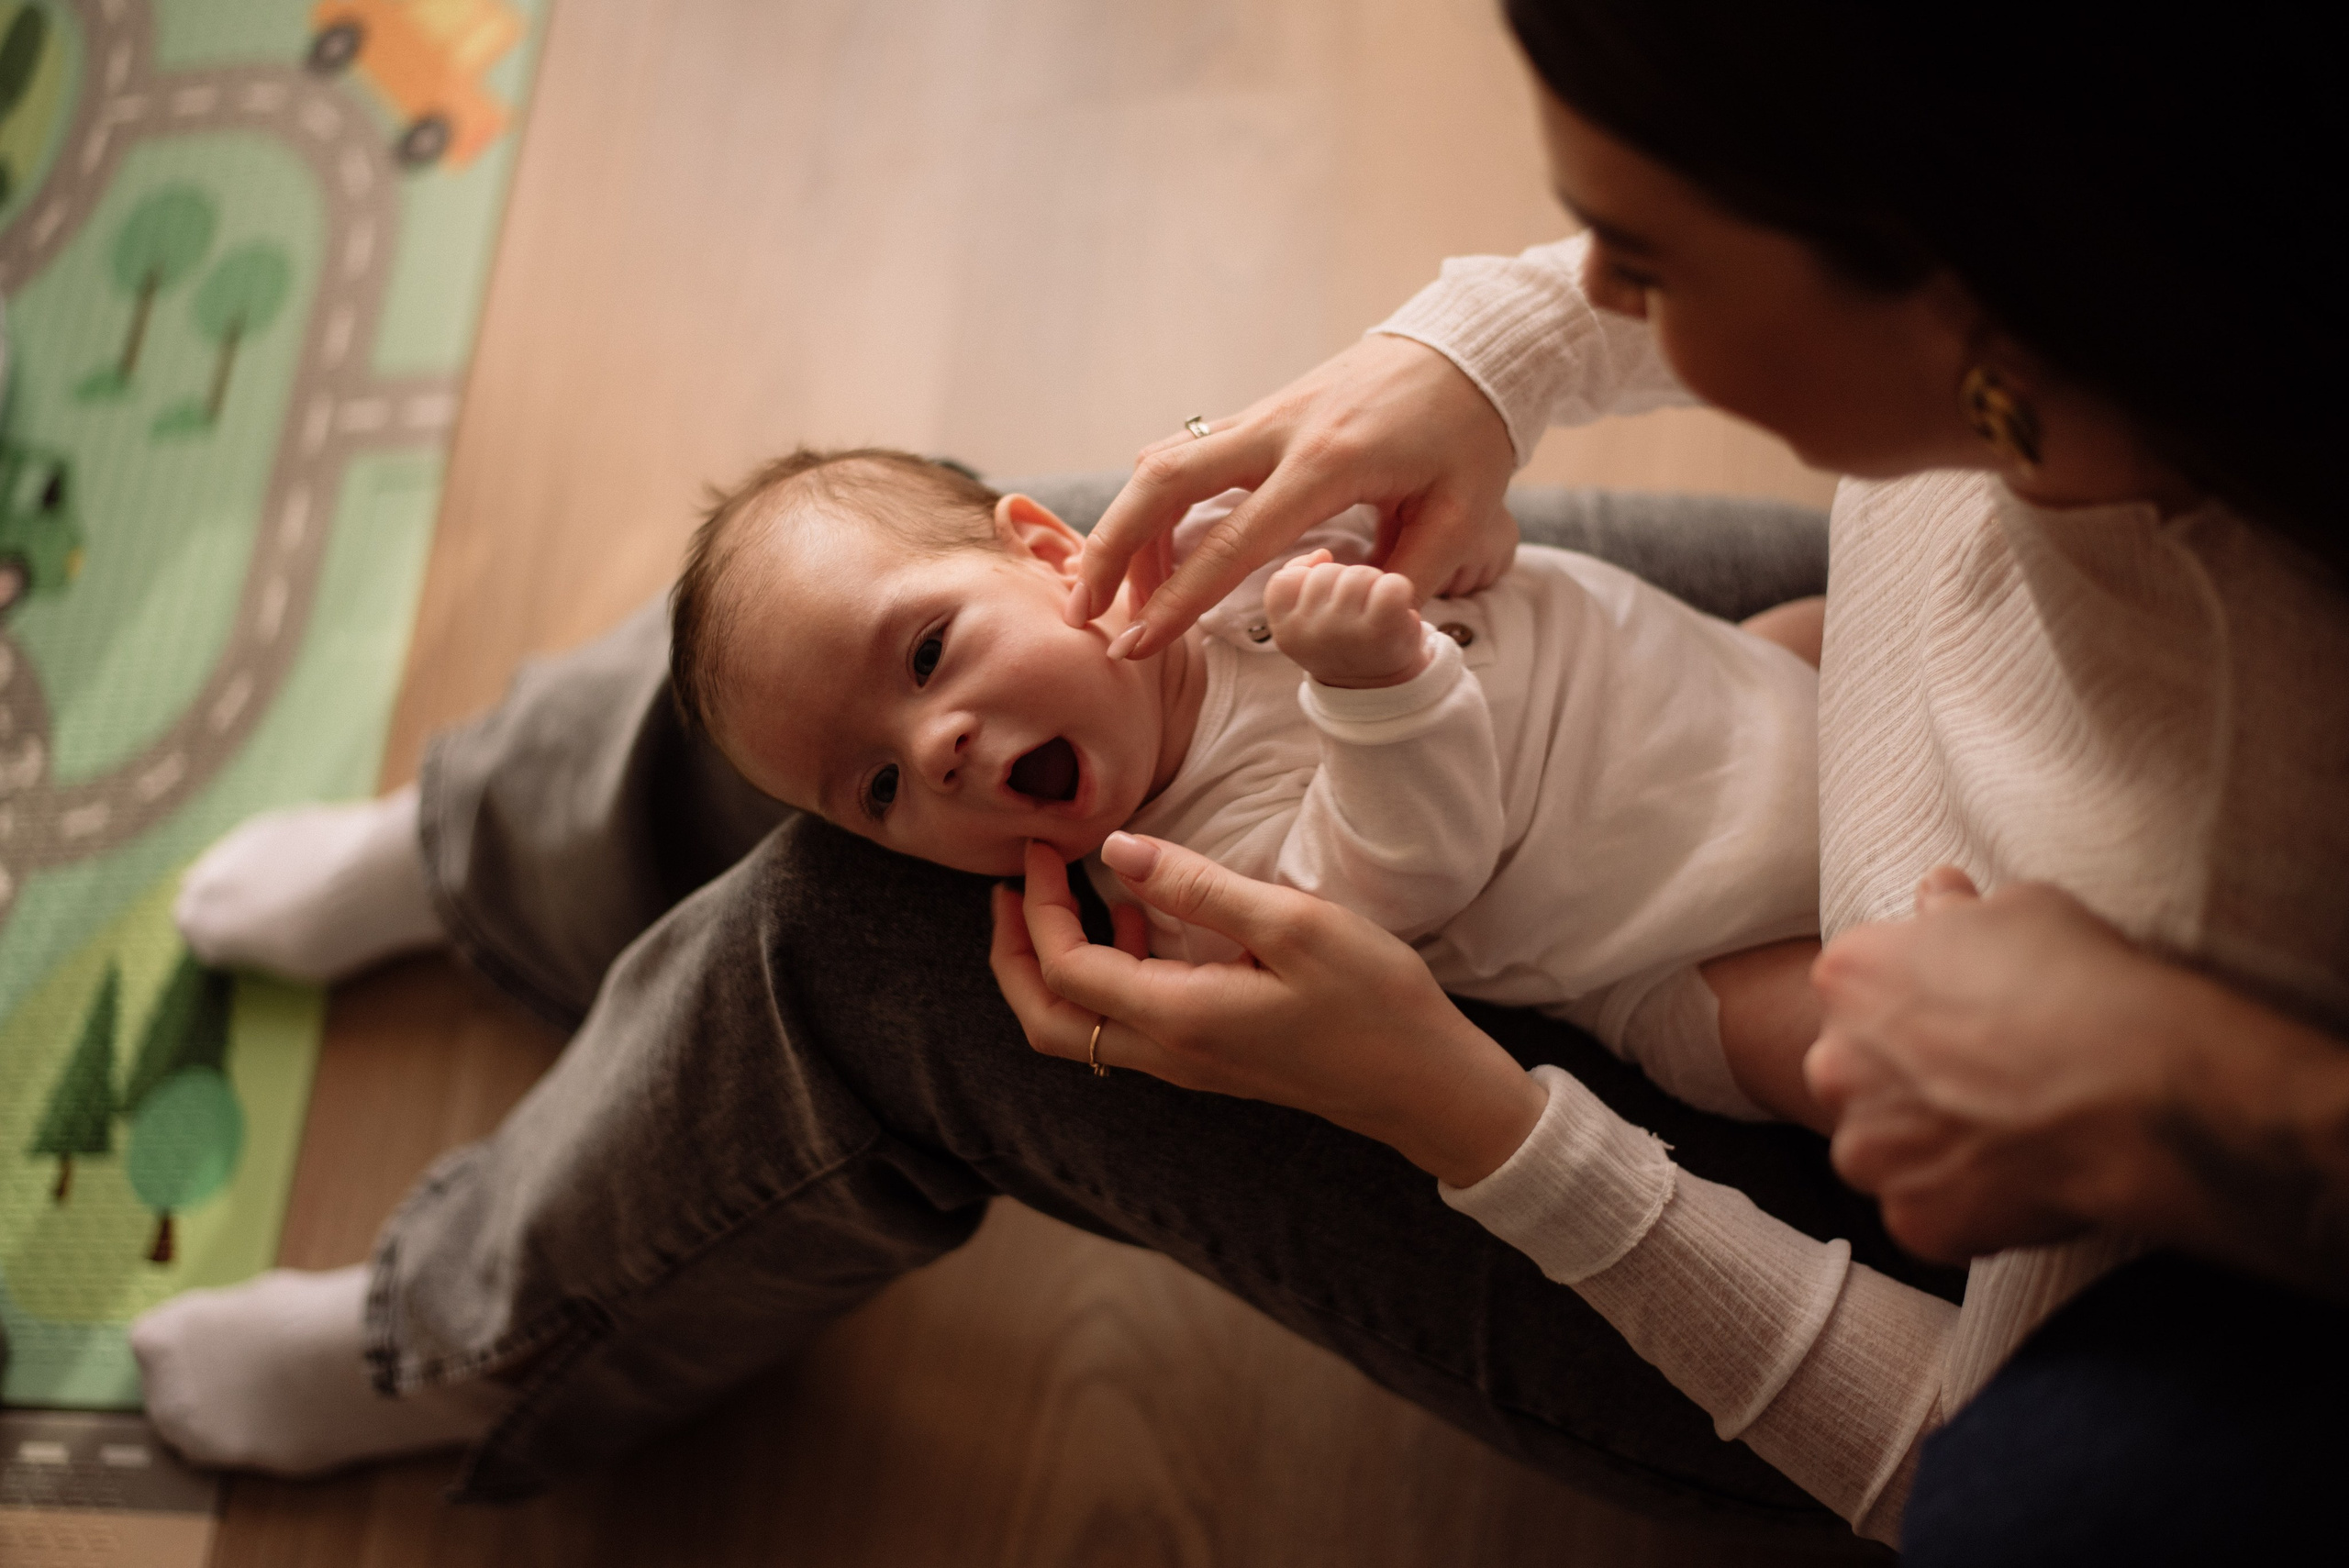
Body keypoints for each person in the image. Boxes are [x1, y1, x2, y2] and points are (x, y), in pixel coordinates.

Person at [132, 0, 2345, 1558]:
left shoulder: (2214, 849)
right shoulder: (2141, 283)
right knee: (880, 591)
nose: (1592, 299)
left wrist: (1447, 1097)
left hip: (1830, 1144)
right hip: (1748, 703)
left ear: (1972, 298)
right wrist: (1470, 357)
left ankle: (478, 1328)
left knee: (851, 918)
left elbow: (1981, 1467)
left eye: (1638, 264)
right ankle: (491, 841)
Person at [663, 443, 1826, 1121]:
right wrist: (1375, 691)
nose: (933, 751)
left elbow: (1426, 500)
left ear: (1059, 552)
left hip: (1749, 672)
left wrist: (1314, 477)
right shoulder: (1175, 892)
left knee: (1851, 626)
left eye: (924, 655)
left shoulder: (1216, 546)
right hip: (1688, 940)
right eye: (875, 789)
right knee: (1842, 1051)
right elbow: (1401, 881)